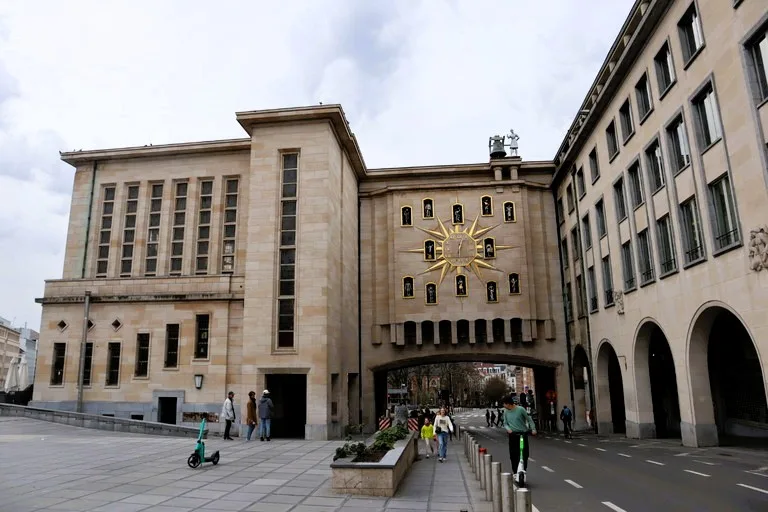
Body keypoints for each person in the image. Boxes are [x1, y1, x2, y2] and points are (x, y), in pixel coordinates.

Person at [502, 394, 537, 477]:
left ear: (508, 404)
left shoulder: (520, 409)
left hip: (523, 434)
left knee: (524, 454)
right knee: (513, 454)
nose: (503, 406)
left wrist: (533, 429)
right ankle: (515, 472)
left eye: (504, 404)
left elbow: (529, 419)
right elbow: (505, 423)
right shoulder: (506, 411)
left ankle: (523, 470)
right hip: (513, 435)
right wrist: (508, 430)